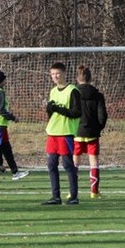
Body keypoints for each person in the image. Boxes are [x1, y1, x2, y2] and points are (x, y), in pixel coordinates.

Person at [41, 62, 82, 205]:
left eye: (57, 73)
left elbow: (76, 113)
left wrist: (58, 109)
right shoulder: (52, 91)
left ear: (64, 73)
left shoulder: (73, 91)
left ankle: (74, 197)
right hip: (52, 133)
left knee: (68, 165)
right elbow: (52, 113)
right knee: (51, 165)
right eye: (52, 74)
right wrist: (49, 109)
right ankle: (56, 197)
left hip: (65, 133)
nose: (55, 76)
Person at [73, 64, 108, 198]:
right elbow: (102, 115)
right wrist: (98, 128)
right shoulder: (98, 95)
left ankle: (73, 191)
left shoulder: (73, 93)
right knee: (94, 161)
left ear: (77, 78)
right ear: (90, 78)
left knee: (75, 162)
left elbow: (71, 112)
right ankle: (94, 192)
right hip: (92, 133)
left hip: (76, 132)